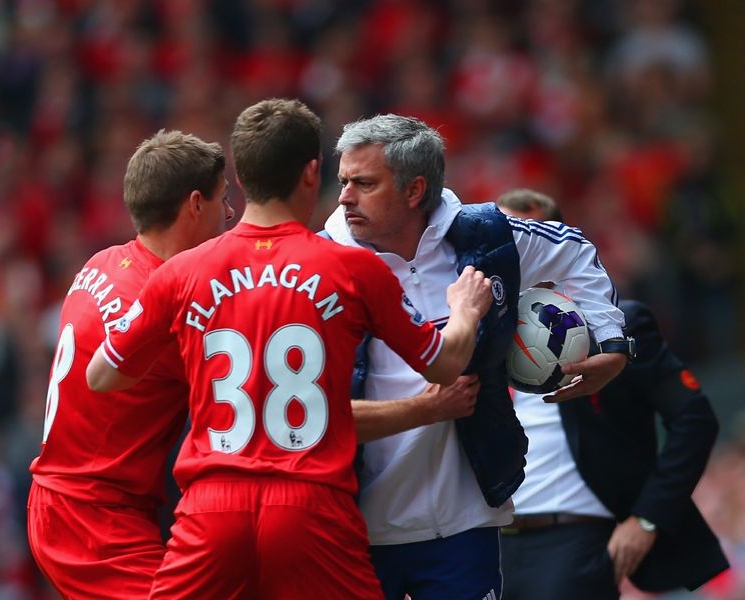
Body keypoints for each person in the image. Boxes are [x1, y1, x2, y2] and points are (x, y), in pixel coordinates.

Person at [85, 98, 495, 599]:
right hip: (312, 507)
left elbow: (102, 375)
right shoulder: (353, 268)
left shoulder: (180, 273)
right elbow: (446, 364)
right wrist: (465, 309)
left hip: (211, 509)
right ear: (312, 172)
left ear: (239, 176)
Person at [323, 114, 629, 600]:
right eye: (344, 181)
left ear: (414, 190)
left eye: (364, 183)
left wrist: (612, 344)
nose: (344, 197)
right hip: (355, 528)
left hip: (466, 523)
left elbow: (575, 252)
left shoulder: (486, 238)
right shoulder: (322, 265)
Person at [27, 130, 235, 598]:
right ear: (195, 204)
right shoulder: (169, 307)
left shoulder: (102, 262)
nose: (230, 214)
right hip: (92, 522)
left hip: (65, 501)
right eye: (224, 199)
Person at [497, 188, 729, 599]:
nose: (510, 246)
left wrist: (647, 519)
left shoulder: (617, 326)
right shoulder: (480, 332)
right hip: (488, 541)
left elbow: (694, 419)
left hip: (574, 542)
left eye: (522, 232)